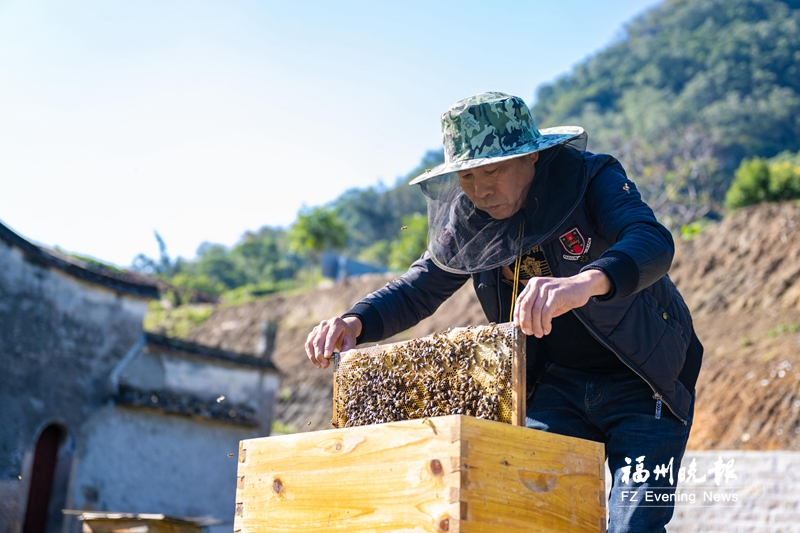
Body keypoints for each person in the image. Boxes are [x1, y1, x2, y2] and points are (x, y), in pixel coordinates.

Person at [305, 92, 702, 533]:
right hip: (556, 388)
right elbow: (421, 286)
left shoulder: (594, 178)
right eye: (468, 176)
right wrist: (355, 321)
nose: (481, 190)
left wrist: (581, 284)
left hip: (648, 378)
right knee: (543, 522)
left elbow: (651, 241)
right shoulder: (470, 217)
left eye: (492, 170)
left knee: (633, 526)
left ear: (530, 157)